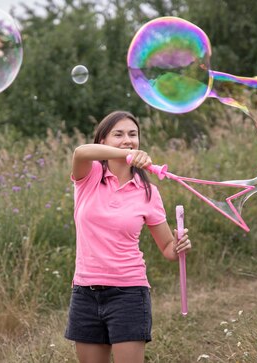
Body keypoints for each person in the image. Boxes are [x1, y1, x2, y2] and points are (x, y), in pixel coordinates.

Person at [65, 110, 192, 363]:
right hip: (85, 293)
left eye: (133, 135)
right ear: (102, 142)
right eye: (119, 134)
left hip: (129, 293)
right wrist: (126, 154)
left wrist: (179, 245)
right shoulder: (88, 177)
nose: (127, 140)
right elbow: (81, 152)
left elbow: (167, 247)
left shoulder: (148, 191)